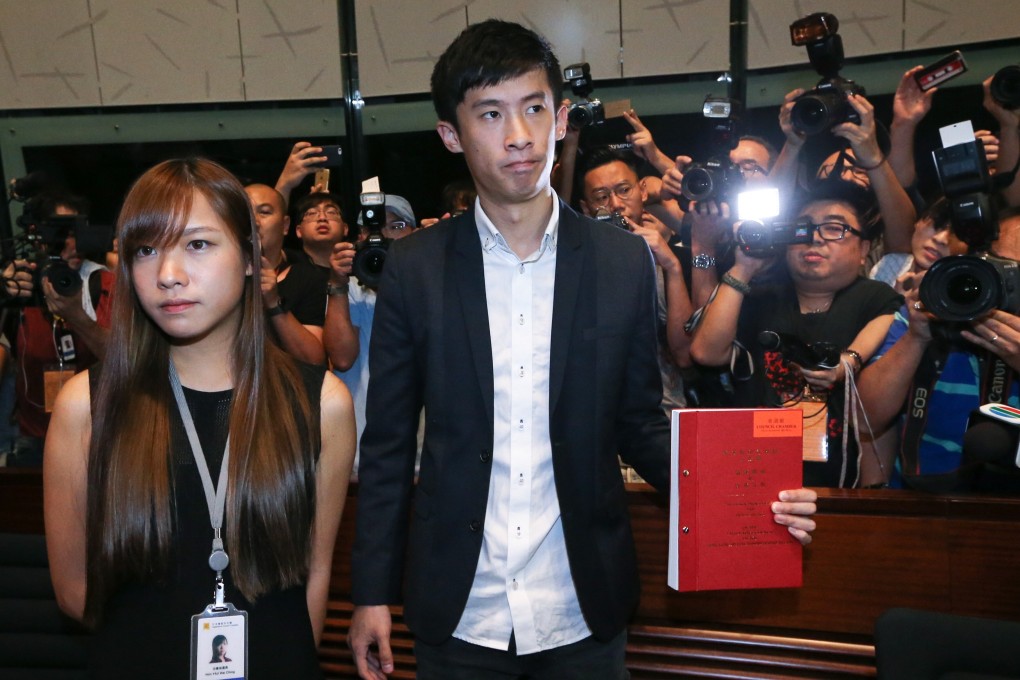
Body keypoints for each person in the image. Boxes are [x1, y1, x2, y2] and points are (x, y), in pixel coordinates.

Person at [347, 19, 817, 680]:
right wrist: (371, 593)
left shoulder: (621, 261)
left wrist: (753, 498)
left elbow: (638, 422)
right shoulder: (415, 268)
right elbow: (389, 444)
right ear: (451, 135)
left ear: (562, 118)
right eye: (490, 114)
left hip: (580, 605)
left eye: (534, 108)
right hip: (458, 606)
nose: (518, 136)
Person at [43, 158, 356, 678]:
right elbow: (75, 593)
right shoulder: (89, 405)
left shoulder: (322, 403)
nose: (168, 275)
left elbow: (314, 577)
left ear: (252, 257)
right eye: (146, 250)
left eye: (198, 244)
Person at [690, 183, 903, 487]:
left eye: (833, 228)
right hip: (754, 474)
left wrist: (848, 361)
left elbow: (884, 325)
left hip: (839, 485)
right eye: (802, 229)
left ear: (864, 250)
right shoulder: (760, 298)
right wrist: (743, 268)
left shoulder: (876, 298)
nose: (815, 238)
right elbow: (705, 353)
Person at [857, 209, 1020, 491]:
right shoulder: (933, 312)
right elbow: (865, 418)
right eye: (1007, 267)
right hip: (920, 501)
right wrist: (916, 337)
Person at [3, 192, 114, 467]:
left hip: (96, 434)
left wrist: (76, 315)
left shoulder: (104, 284)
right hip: (33, 436)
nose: (72, 244)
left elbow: (122, 360)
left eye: (78, 232)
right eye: (61, 233)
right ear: (38, 237)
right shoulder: (21, 285)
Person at [245, 183, 328, 365]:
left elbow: (314, 360)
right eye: (246, 213)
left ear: (285, 225)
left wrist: (274, 303)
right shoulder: (216, 275)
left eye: (264, 212)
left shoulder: (309, 278)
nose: (255, 222)